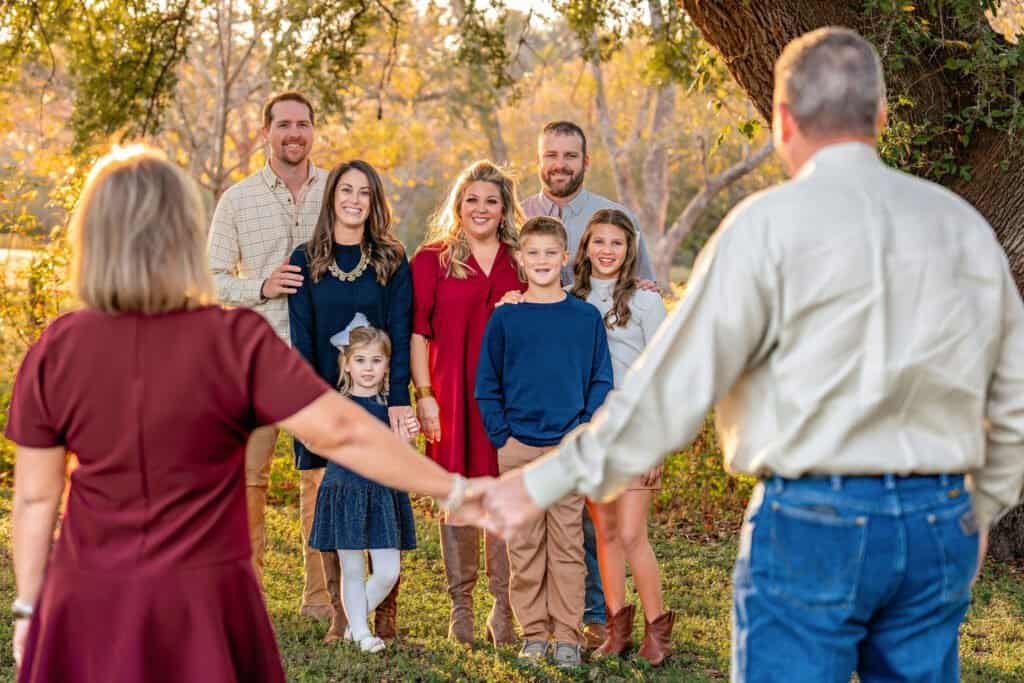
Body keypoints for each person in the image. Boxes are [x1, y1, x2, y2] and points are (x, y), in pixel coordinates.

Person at [470, 27, 1024, 683]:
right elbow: (1013, 393)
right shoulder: (959, 225)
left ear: (782, 119)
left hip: (811, 519)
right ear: (879, 116)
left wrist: (539, 480)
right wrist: (982, 506)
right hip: (938, 521)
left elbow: (664, 398)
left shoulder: (765, 228)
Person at [7, 146, 479, 682]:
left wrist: (28, 608)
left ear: (90, 236)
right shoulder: (234, 340)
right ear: (186, 232)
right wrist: (458, 490)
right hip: (205, 601)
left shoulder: (58, 347)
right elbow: (344, 432)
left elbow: (36, 497)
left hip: (88, 596)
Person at [520, 120, 655, 645]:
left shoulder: (613, 218)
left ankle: (600, 616)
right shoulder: (521, 216)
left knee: (597, 514)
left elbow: (639, 291)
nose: (560, 163)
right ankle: (537, 613)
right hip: (542, 383)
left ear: (585, 161)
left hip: (602, 393)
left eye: (569, 155)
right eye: (551, 154)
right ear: (539, 159)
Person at [207, 91, 331, 618]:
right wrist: (261, 284)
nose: (294, 134)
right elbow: (209, 280)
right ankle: (248, 594)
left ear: (313, 131)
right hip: (255, 360)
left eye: (303, 124)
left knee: (318, 476)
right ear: (266, 133)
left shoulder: (337, 190)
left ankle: (320, 599)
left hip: (322, 359)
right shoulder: (237, 200)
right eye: (284, 125)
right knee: (247, 476)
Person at [474, 216, 613, 668]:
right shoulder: (506, 318)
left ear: (566, 258)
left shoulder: (584, 317)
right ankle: (534, 633)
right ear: (520, 258)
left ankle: (568, 635)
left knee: (569, 545)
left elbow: (600, 379)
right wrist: (502, 434)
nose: (541, 261)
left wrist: (582, 428)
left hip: (566, 449)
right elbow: (486, 384)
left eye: (550, 253)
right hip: (517, 448)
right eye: (532, 253)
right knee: (525, 545)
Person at [288, 159, 413, 642]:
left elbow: (400, 330)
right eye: (346, 191)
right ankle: (343, 617)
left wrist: (398, 400)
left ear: (373, 201)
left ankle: (383, 615)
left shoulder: (390, 258)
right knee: (329, 500)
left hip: (378, 403)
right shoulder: (307, 259)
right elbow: (302, 340)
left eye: (364, 192)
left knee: (383, 497)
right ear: (332, 198)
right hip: (324, 406)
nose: (355, 200)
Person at [409, 160, 525, 646]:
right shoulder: (431, 258)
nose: (480, 208)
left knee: (499, 499)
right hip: (451, 397)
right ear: (459, 205)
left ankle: (503, 608)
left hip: (506, 401)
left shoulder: (521, 260)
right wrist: (426, 396)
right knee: (458, 498)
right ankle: (461, 608)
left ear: (504, 210)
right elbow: (418, 332)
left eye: (491, 201)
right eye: (471, 199)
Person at [570, 209, 672, 666]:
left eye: (616, 243)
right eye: (599, 242)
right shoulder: (572, 298)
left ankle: (658, 631)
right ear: (586, 247)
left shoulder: (647, 302)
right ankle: (617, 629)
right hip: (593, 431)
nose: (607, 251)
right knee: (606, 534)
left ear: (629, 249)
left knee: (632, 534)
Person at [309, 320, 418, 654]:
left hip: (383, 493)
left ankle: (354, 623)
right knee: (352, 569)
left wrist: (406, 441)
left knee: (387, 570)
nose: (368, 368)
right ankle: (360, 632)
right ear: (346, 365)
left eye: (375, 360)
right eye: (360, 360)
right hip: (346, 491)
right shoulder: (336, 406)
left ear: (387, 365)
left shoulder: (395, 410)